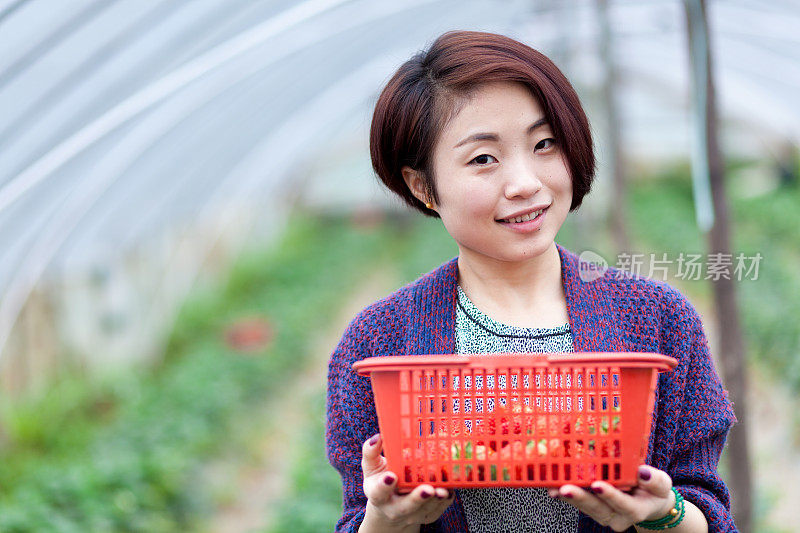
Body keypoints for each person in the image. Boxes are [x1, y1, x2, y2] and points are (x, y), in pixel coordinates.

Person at [326, 30, 737, 533]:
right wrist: (386, 521)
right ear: (422, 185)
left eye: (545, 144)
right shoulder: (378, 343)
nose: (525, 183)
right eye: (483, 158)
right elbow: (357, 517)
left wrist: (663, 512)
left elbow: (706, 508)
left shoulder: (659, 320)